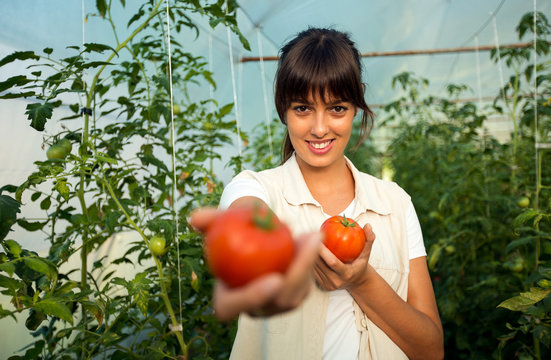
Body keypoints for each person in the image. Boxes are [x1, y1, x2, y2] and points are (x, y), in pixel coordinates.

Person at [190, 27, 444, 360]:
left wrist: (362, 280)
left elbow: (431, 349)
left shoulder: (395, 204)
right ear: (283, 109)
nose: (320, 128)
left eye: (336, 108)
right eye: (302, 109)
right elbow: (247, 210)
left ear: (356, 107)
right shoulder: (257, 187)